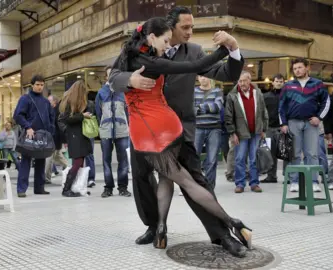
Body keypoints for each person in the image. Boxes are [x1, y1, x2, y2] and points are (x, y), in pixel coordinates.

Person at [109, 7, 247, 257]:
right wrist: (131, 80)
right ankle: (154, 227)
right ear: (168, 28)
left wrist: (234, 49)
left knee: (194, 180)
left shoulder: (192, 51)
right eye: (186, 27)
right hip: (143, 128)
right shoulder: (136, 50)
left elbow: (225, 73)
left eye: (192, 27)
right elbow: (113, 77)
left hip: (179, 130)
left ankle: (222, 235)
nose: (190, 32)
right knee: (142, 179)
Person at [279, 58, 330, 193]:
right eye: (295, 69)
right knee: (294, 154)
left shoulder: (317, 84)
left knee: (312, 153)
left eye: (300, 67)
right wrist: (283, 123)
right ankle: (294, 182)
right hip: (293, 123)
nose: (297, 70)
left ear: (307, 68)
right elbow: (281, 106)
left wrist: (319, 118)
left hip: (311, 123)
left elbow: (326, 102)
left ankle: (313, 182)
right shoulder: (288, 86)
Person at [225, 71, 267, 193]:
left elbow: (264, 111)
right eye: (240, 81)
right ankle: (240, 184)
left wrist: (264, 129)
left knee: (254, 159)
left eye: (244, 80)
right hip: (240, 133)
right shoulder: (232, 95)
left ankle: (254, 183)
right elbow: (228, 116)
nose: (242, 83)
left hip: (256, 131)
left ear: (249, 80)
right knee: (239, 158)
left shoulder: (257, 93)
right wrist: (232, 133)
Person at [13, 75, 54, 197]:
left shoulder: (46, 102)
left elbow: (51, 118)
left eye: (42, 85)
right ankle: (21, 189)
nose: (40, 87)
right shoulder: (25, 99)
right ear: (32, 85)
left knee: (41, 160)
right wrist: (27, 127)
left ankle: (39, 187)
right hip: (29, 135)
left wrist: (50, 132)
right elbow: (18, 115)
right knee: (26, 161)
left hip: (43, 136)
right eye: (37, 84)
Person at [95, 66, 131, 198]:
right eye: (109, 74)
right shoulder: (101, 93)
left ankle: (123, 187)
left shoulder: (123, 92)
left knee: (123, 161)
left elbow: (128, 112)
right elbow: (98, 113)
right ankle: (108, 188)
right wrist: (103, 126)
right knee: (106, 160)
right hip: (106, 131)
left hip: (122, 131)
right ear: (106, 77)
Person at [58, 80, 94, 197]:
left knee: (80, 162)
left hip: (80, 136)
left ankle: (78, 186)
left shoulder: (75, 102)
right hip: (75, 136)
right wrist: (83, 116)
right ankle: (66, 188)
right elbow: (67, 119)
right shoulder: (69, 102)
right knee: (77, 163)